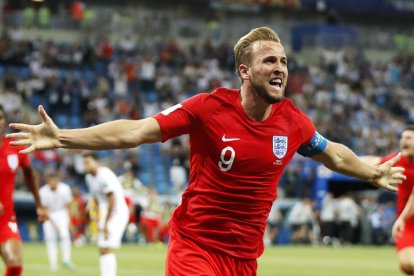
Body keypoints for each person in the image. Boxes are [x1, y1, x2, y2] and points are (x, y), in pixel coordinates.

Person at [7, 27, 406, 275]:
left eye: (284, 60)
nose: (280, 67)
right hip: (195, 246)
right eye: (269, 60)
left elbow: (333, 153)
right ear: (245, 71)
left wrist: (373, 173)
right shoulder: (208, 108)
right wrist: (63, 137)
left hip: (245, 260)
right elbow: (137, 130)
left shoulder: (294, 121)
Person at [0, 104, 47, 276]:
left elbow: (29, 174)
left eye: (0, 117)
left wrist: (39, 204)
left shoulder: (14, 146)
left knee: (14, 266)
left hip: (5, 219)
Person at [361, 125, 414, 275]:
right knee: (407, 264)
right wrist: (343, 160)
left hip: (404, 219)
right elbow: (376, 160)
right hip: (408, 223)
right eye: (402, 138)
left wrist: (401, 219)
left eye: (409, 138)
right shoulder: (399, 159)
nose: (403, 141)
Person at [83, 152, 129, 276]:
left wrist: (107, 223)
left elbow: (112, 200)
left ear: (96, 162)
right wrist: (98, 221)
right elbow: (96, 201)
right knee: (102, 247)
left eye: (88, 162)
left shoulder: (104, 175)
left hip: (118, 212)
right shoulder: (89, 178)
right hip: (107, 212)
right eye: (84, 163)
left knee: (107, 246)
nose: (85, 165)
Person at [39, 170, 74, 271]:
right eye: (50, 180)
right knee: (50, 239)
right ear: (48, 181)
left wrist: (69, 221)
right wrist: (54, 222)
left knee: (65, 236)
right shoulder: (43, 191)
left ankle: (66, 260)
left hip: (62, 213)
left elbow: (68, 206)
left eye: (54, 180)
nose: (52, 182)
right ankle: (53, 263)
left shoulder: (65, 188)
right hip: (49, 215)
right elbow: (45, 208)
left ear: (57, 180)